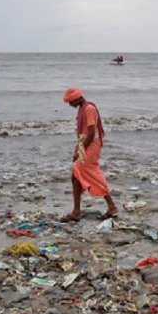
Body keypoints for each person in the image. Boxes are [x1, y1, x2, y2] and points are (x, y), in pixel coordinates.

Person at [61, 87, 118, 222]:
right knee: (75, 176)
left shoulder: (88, 109)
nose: (70, 105)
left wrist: (81, 150)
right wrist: (77, 149)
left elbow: (91, 133)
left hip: (91, 145)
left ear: (77, 99)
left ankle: (111, 206)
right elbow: (84, 134)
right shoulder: (82, 109)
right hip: (85, 143)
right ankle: (76, 210)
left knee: (92, 173)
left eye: (71, 102)